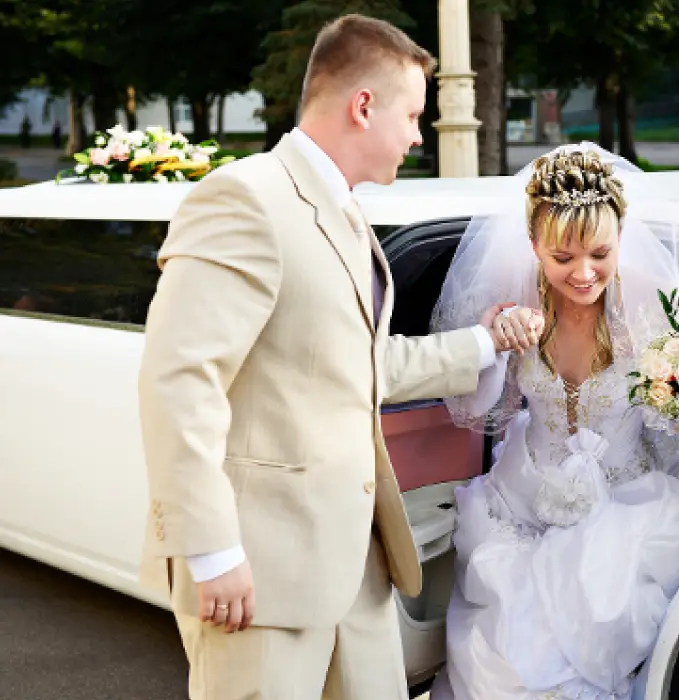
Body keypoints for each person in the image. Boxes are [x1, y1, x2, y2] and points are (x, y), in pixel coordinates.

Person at [136, 14, 540, 700]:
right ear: (363, 106)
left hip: (355, 563)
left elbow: (355, 360)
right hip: (260, 572)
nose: (418, 134)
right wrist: (212, 549)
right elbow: (179, 382)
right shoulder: (246, 199)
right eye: (413, 114)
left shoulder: (347, 215)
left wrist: (481, 342)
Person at [428, 144, 679, 700]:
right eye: (562, 258)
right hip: (526, 502)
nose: (583, 273)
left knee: (601, 623)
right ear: (534, 248)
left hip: (630, 506)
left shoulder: (652, 296)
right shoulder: (509, 298)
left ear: (621, 238)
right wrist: (493, 346)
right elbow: (474, 411)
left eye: (600, 253)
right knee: (505, 651)